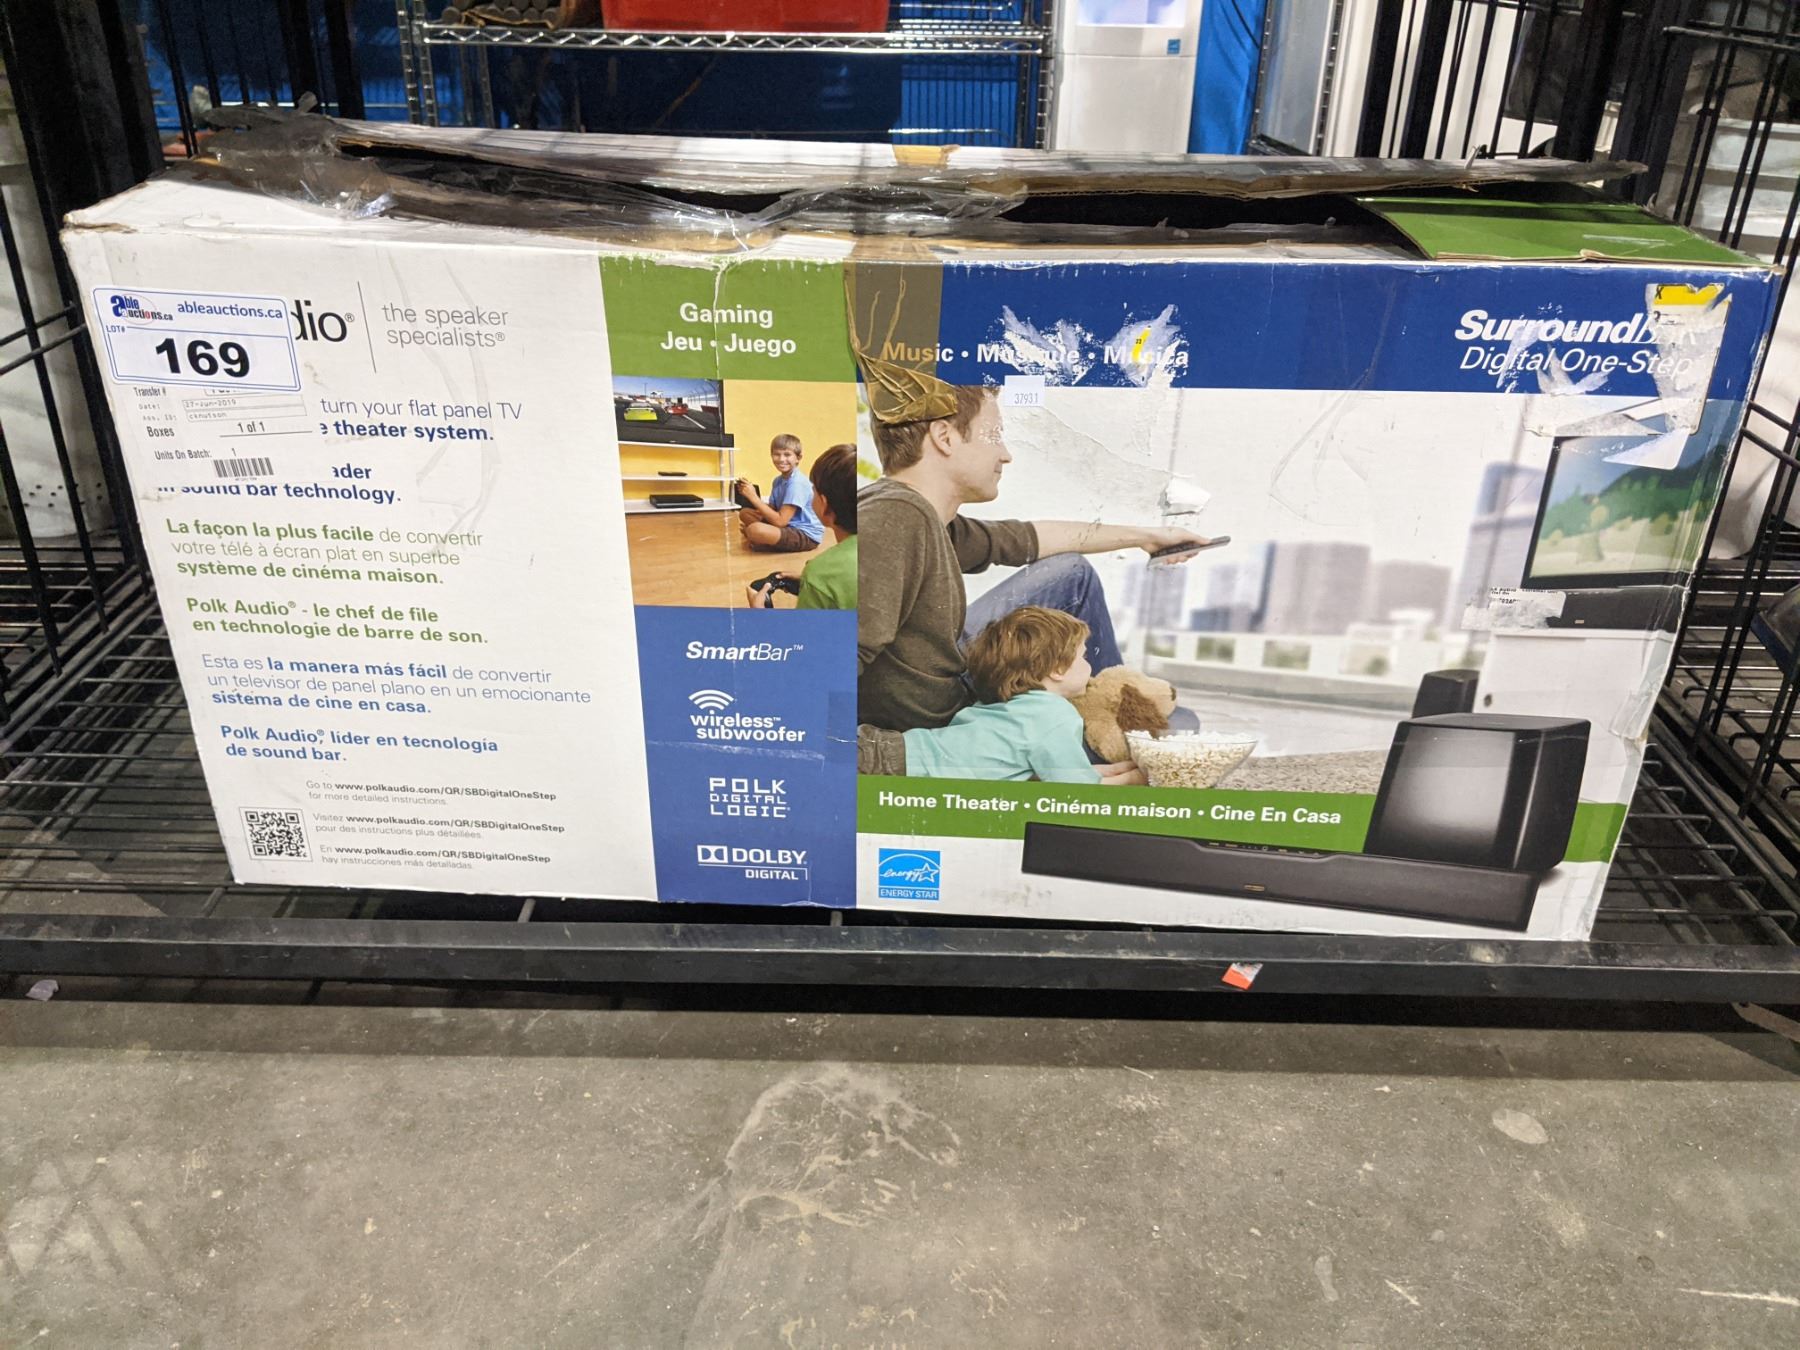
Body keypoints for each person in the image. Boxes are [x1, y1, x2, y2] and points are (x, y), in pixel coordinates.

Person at [857, 384, 1210, 772]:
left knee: (1072, 573)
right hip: (946, 728)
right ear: (945, 437)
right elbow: (835, 661)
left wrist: (1148, 537)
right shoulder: (895, 519)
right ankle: (1113, 725)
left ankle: (1115, 711)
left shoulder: (923, 517)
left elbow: (1026, 538)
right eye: (994, 435)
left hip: (945, 683)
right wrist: (890, 758)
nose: (1005, 454)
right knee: (1179, 725)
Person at [901, 607, 1144, 785]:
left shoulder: (1000, 706)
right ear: (1058, 669)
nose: (1088, 665)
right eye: (1083, 656)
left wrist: (1103, 772)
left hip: (910, 754)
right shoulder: (1054, 715)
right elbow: (1077, 791)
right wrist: (1134, 778)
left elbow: (1032, 768)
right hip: (920, 777)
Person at [746, 442, 858, 610]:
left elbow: (804, 629)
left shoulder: (818, 571)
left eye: (813, 490)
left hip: (800, 533)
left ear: (825, 505)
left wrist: (760, 615)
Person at [736, 434, 825, 553]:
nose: (781, 459)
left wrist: (754, 497)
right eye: (777, 454)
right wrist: (749, 494)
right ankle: (763, 539)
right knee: (745, 513)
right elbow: (772, 510)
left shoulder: (797, 483)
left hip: (804, 535)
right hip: (787, 525)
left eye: (787, 455)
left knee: (754, 530)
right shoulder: (778, 481)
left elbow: (780, 521)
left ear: (798, 458)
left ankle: (761, 540)